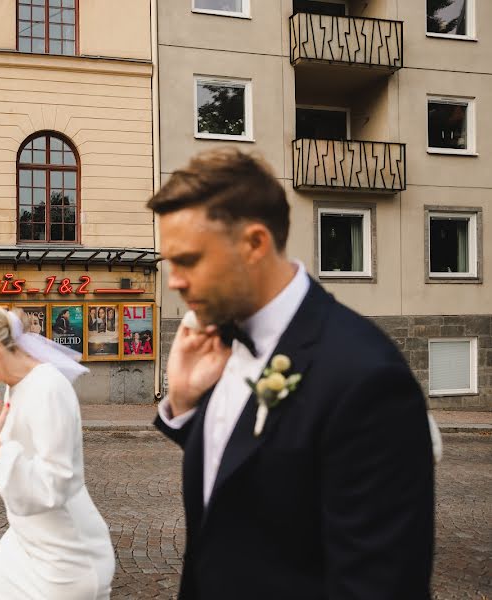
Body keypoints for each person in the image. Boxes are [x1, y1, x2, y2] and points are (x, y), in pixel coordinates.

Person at [150, 148, 434, 599]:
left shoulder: (367, 377)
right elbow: (260, 474)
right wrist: (184, 405)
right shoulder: (220, 340)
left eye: (188, 260)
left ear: (255, 244)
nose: (174, 281)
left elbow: (377, 585)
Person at [0, 300, 115, 600]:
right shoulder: (15, 385)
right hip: (26, 542)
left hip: (66, 559)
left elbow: (55, 486)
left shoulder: (48, 387)